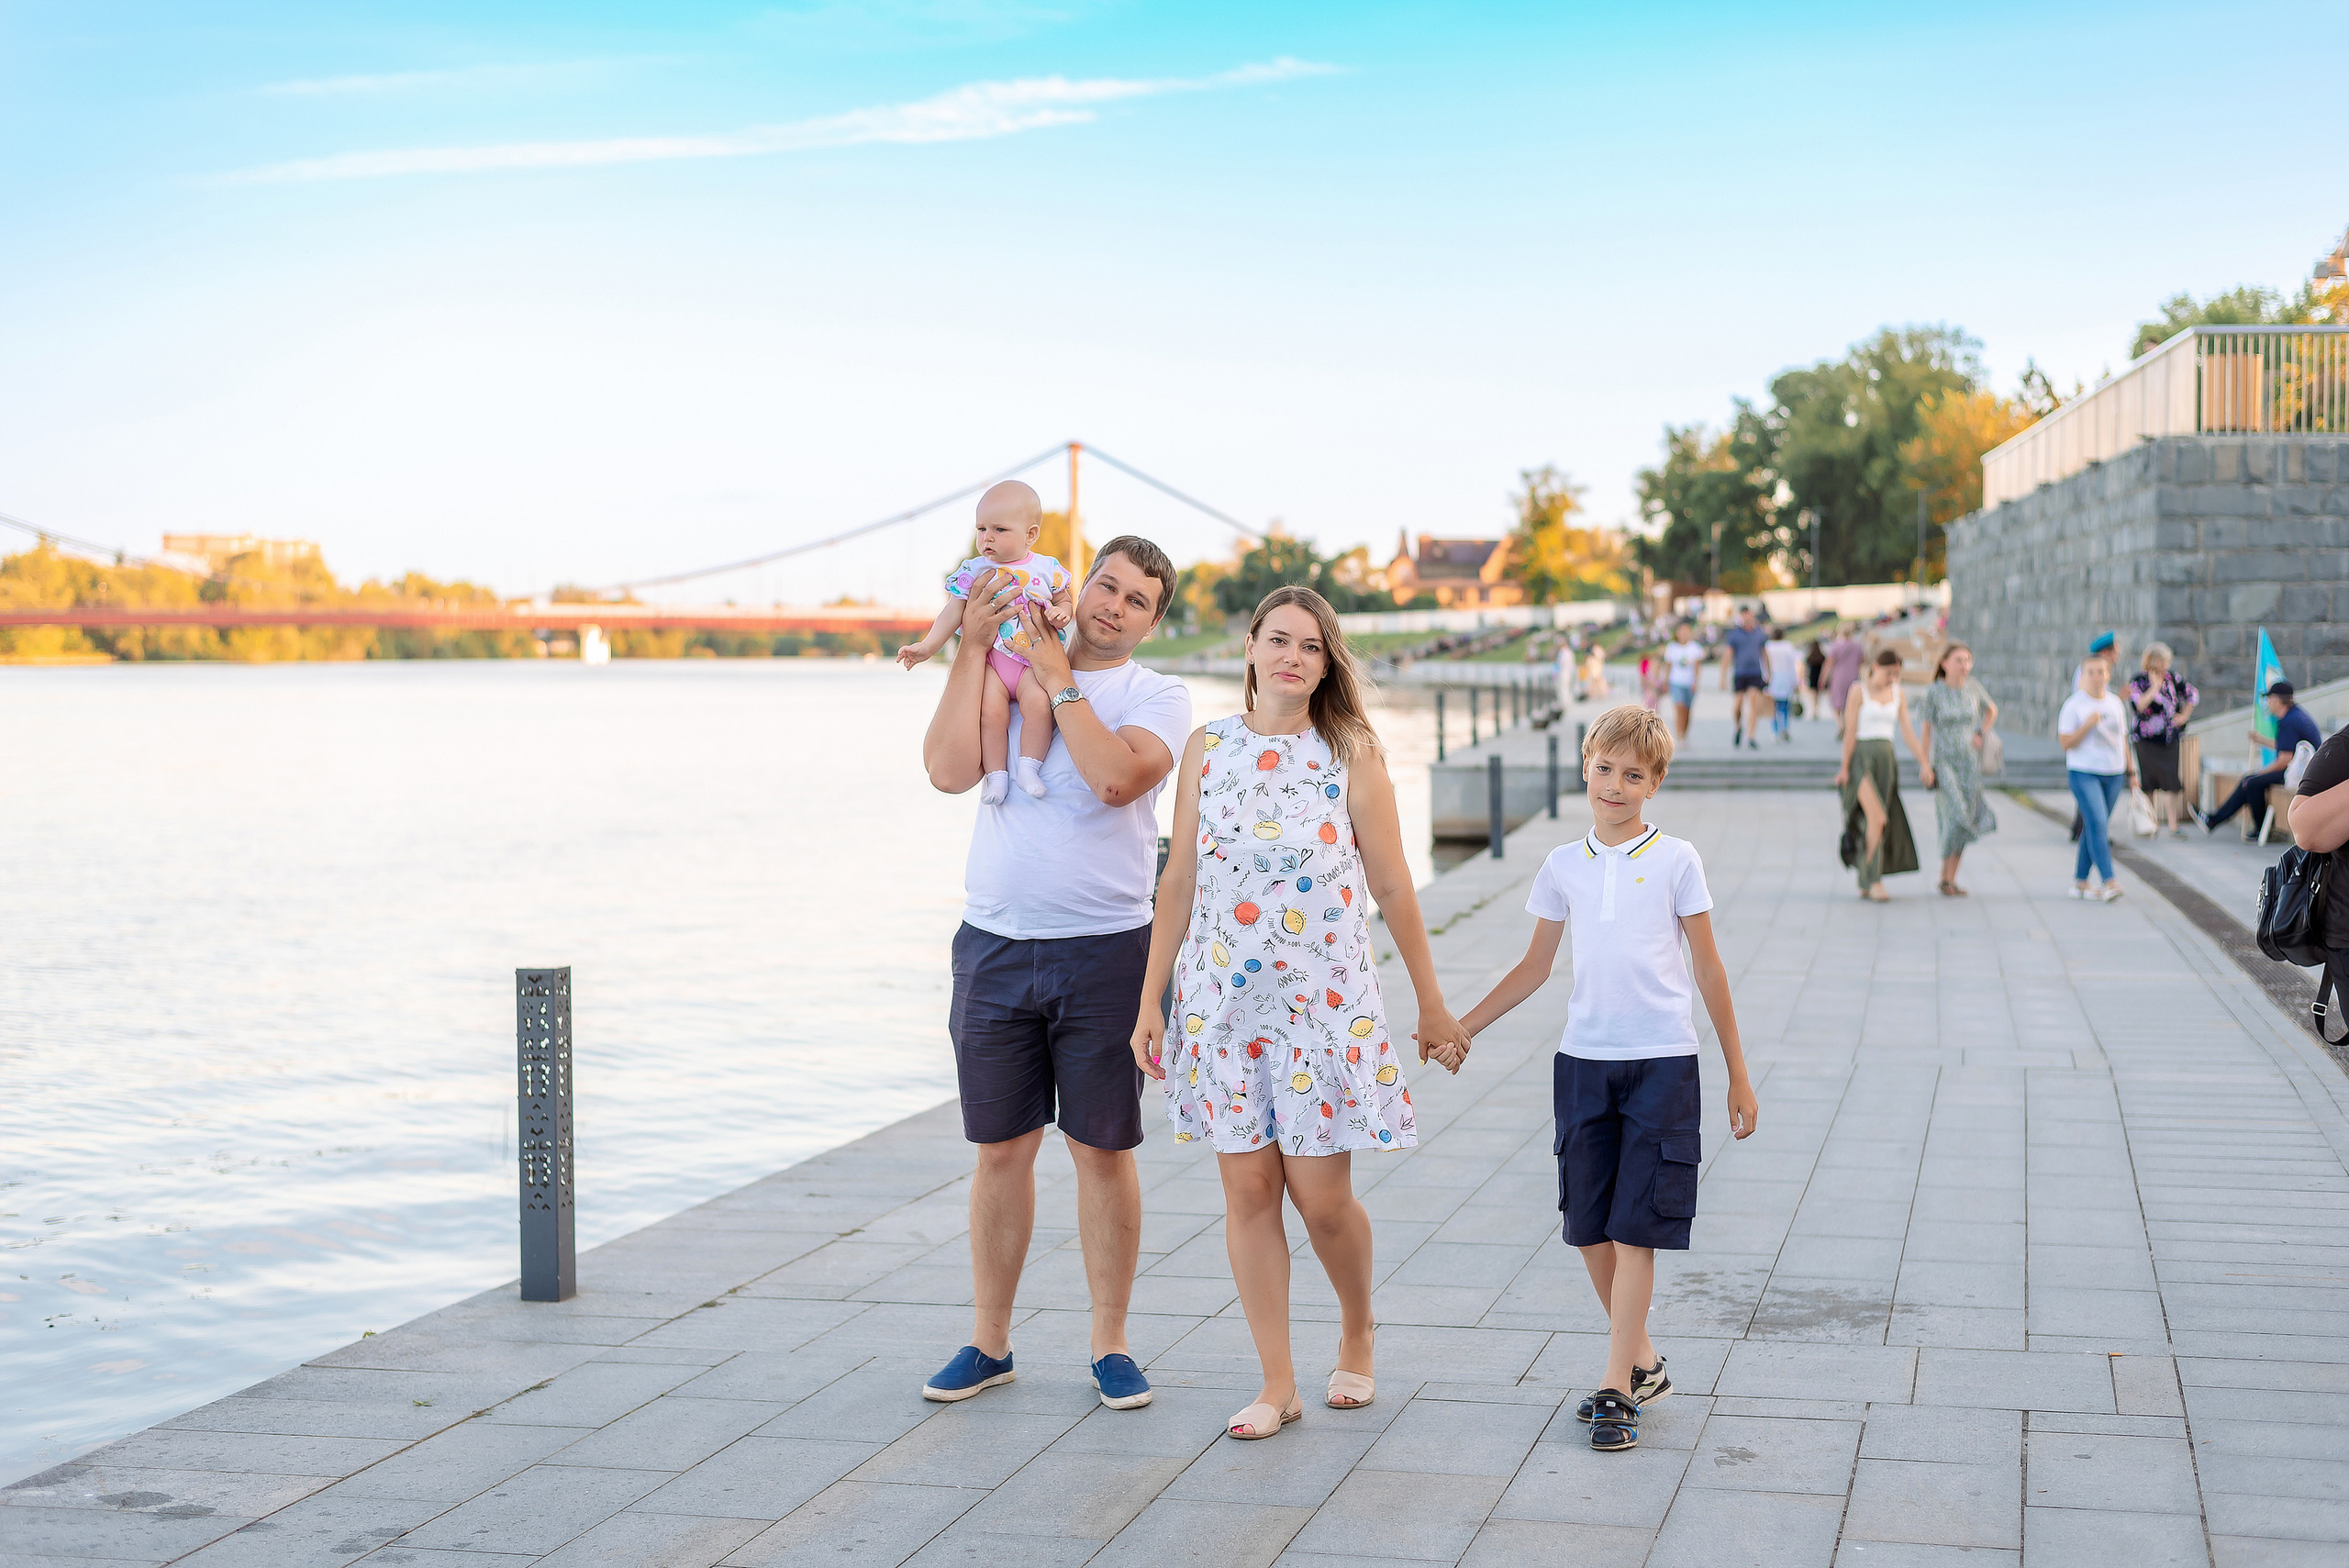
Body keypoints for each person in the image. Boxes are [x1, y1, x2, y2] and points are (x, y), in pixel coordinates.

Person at [1132, 585, 1469, 1441]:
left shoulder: (1348, 749)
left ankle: (1356, 1326)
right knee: (1248, 1189)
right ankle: (1277, 1381)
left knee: (1322, 1201)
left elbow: (1391, 881)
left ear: (1327, 663)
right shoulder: (1206, 747)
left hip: (1323, 1009)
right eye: (1277, 640)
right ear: (1248, 647)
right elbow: (1178, 880)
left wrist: (1431, 1001)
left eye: (1311, 648)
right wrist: (1152, 999)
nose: (1292, 657)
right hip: (1222, 1006)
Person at [917, 536, 1193, 1410]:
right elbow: (946, 770)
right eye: (1106, 584)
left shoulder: (1159, 695)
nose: (1113, 604)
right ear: (1081, 586)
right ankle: (989, 1342)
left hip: (1107, 948)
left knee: (1102, 1150)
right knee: (999, 1150)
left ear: (1153, 621)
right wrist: (971, 646)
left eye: (1136, 599)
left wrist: (1056, 674)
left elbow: (1117, 780)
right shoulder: (1002, 663)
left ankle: (1109, 1343)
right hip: (992, 944)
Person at [1453, 704, 1757, 1453]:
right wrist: (1464, 1026)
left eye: (1633, 774)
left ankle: (1616, 1384)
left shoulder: (1677, 859)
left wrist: (1736, 1074)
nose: (1615, 784)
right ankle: (1645, 1359)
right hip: (1583, 1063)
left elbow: (1709, 968)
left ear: (1654, 783)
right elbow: (1534, 966)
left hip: (1663, 1062)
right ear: (1585, 765)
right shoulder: (1562, 865)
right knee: (1588, 1224)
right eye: (1604, 768)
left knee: (1635, 1226)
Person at [898, 482, 1077, 804]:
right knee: (991, 715)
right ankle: (997, 776)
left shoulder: (1046, 568)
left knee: (1038, 705)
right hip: (994, 663)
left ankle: (1028, 767)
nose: (987, 538)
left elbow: (1065, 598)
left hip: (1029, 663)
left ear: (1031, 534)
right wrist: (927, 646)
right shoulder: (975, 570)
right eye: (981, 528)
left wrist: (1062, 613)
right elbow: (953, 611)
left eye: (999, 529)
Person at [1833, 649, 1925, 901]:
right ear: (1875, 667)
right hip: (1862, 760)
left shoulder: (1898, 694)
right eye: (1889, 673)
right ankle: (1874, 881)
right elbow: (1850, 731)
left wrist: (1925, 763)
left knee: (1878, 820)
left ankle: (1866, 878)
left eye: (1897, 673)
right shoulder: (1858, 691)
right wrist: (1844, 768)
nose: (1893, 678)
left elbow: (1907, 731)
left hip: (1886, 760)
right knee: (1878, 818)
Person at [1913, 642, 1999, 896]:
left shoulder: (1973, 687)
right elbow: (1926, 732)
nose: (1965, 666)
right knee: (1955, 816)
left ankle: (1948, 879)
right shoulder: (1933, 693)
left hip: (1969, 763)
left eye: (1968, 660)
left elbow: (1991, 709)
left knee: (1966, 818)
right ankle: (1945, 875)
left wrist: (1981, 732)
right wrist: (1925, 764)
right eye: (1959, 660)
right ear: (1945, 663)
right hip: (1944, 763)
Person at [2058, 652, 2135, 899]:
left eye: (2100, 672)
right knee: (2099, 823)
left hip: (2114, 773)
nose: (2095, 677)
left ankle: (2080, 881)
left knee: (2094, 826)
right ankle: (2109, 881)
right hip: (2083, 773)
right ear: (2083, 675)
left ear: (2108, 674)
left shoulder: (2115, 703)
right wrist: (2087, 725)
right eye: (2090, 672)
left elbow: (2123, 740)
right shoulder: (2073, 705)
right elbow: (2066, 743)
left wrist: (2132, 771)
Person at [2201, 681, 2321, 836]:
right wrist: (2261, 740)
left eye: (2269, 699)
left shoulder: (2290, 721)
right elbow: (2286, 746)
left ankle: (2261, 830)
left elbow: (2285, 759)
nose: (2267, 703)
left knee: (2251, 782)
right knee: (2250, 780)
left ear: (2277, 700)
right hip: (2302, 770)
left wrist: (2262, 772)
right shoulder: (2294, 715)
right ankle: (2214, 820)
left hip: (2301, 775)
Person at [2127, 643, 2199, 837]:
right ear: (2152, 661)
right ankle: (2150, 822)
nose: (2166, 665)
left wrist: (2184, 716)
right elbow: (2139, 706)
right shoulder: (2138, 681)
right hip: (2145, 739)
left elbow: (2192, 694)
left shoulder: (2172, 678)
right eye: (2162, 661)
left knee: (2171, 782)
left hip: (2169, 738)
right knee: (2148, 782)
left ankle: (2173, 825)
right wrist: (2155, 688)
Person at [1720, 606, 1771, 750]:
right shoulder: (1734, 635)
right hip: (1740, 673)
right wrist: (1722, 676)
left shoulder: (1759, 633)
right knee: (1738, 705)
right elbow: (1727, 655)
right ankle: (1738, 726)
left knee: (1754, 703)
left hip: (1755, 672)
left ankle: (1751, 735)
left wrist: (1769, 672)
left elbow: (1764, 653)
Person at [1662, 621, 1704, 740]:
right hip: (1676, 682)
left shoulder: (1695, 648)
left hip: (1689, 683)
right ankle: (1679, 734)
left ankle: (1684, 733)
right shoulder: (1672, 648)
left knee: (1687, 710)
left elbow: (1697, 667)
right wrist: (1665, 682)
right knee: (1679, 707)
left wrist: (1696, 681)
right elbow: (1668, 665)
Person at [1821, 624, 1865, 738]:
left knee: (1836, 702)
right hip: (1853, 675)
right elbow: (1862, 661)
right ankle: (1847, 724)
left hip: (1839, 676)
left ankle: (1840, 724)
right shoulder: (1857, 646)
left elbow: (1829, 663)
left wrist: (1823, 678)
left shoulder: (1836, 646)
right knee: (1849, 702)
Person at [1763, 626, 1801, 742]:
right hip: (1785, 678)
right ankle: (1784, 727)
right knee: (1784, 706)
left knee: (1772, 707)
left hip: (1772, 677)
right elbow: (1791, 666)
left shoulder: (1768, 647)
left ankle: (1775, 731)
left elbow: (1764, 664)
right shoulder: (1788, 647)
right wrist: (1795, 681)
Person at [1803, 637, 1828, 722]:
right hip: (1819, 676)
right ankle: (1816, 708)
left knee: (1813, 693)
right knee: (1818, 693)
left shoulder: (1810, 657)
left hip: (1812, 676)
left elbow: (1806, 668)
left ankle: (1813, 709)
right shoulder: (1821, 656)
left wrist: (1805, 677)